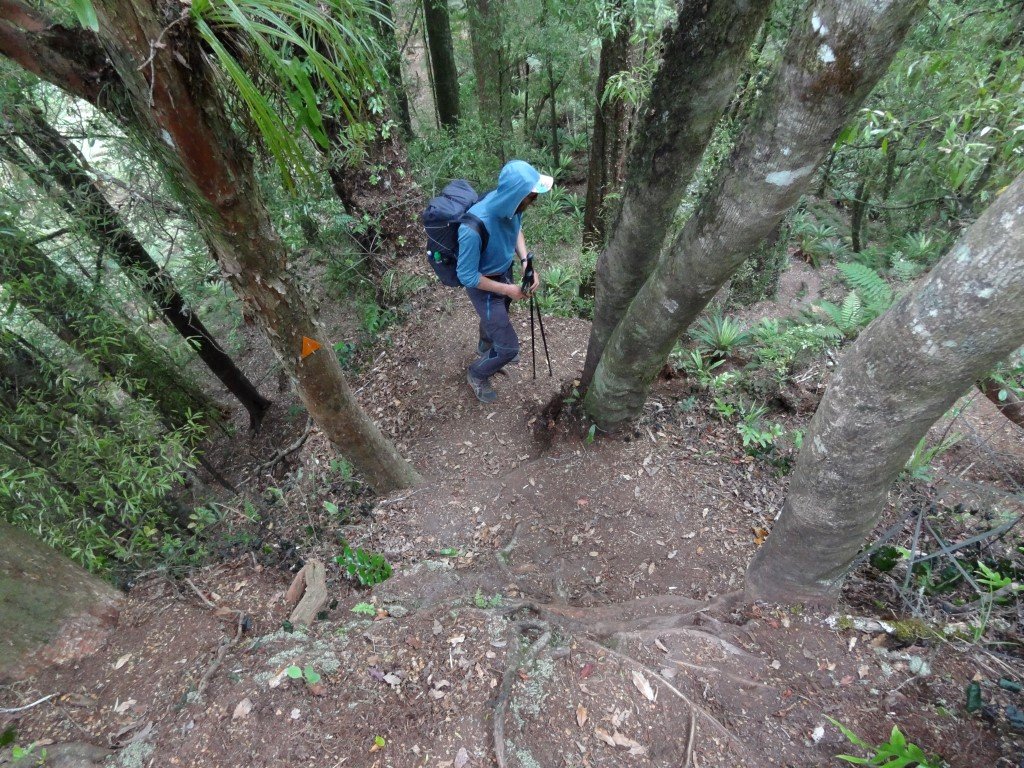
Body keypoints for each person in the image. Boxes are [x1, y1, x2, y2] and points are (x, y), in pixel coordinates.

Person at [457, 160, 553, 403]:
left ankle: (485, 346)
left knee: (494, 324)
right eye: (531, 196)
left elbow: (516, 228)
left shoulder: (510, 207)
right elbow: (467, 276)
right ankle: (477, 373)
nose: (534, 202)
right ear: (516, 195)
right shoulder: (472, 228)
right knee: (509, 349)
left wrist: (524, 262)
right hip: (484, 286)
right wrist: (507, 290)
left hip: (504, 272)